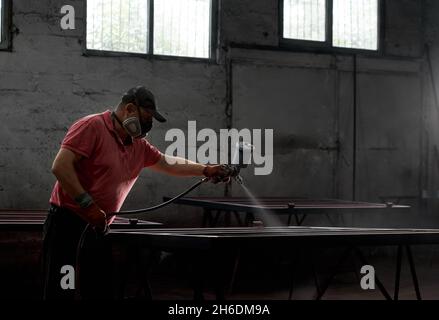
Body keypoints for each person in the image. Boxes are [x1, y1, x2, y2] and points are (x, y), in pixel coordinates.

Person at [42, 86, 232, 299]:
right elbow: (61, 166)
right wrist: (87, 204)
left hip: (99, 225)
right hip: (69, 223)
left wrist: (206, 169)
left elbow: (167, 163)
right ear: (129, 109)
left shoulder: (138, 145)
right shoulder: (92, 126)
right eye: (146, 117)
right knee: (63, 285)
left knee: (99, 288)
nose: (147, 124)